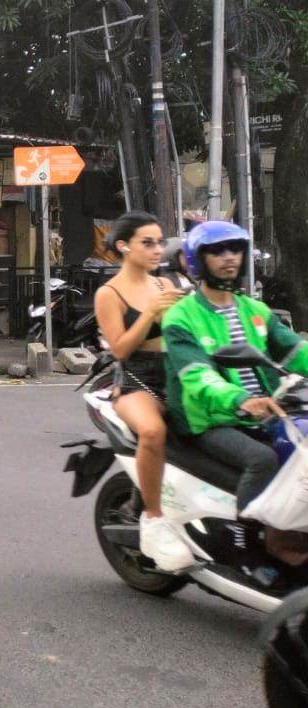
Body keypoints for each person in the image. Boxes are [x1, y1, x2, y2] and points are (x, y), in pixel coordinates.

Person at [164, 220, 308, 565]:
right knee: (264, 460)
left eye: (234, 249)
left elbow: (295, 352)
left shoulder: (254, 310)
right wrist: (240, 399)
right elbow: (197, 377)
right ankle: (249, 548)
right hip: (212, 418)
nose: (228, 257)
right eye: (217, 251)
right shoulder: (181, 317)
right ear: (197, 260)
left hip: (269, 410)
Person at [92, 211, 191, 572]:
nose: (156, 250)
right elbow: (119, 350)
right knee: (153, 431)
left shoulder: (168, 285)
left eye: (159, 243)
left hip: (178, 372)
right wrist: (149, 313)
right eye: (147, 243)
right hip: (137, 379)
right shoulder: (109, 293)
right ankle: (153, 517)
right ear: (124, 246)